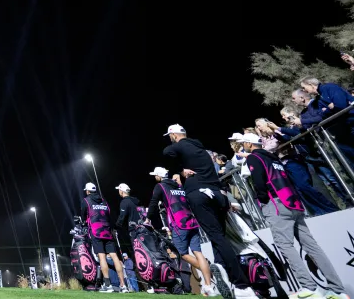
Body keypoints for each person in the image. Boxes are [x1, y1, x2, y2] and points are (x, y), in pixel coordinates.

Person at [242, 133, 350, 299]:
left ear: (249, 144)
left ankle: (309, 288)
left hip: (276, 204)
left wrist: (263, 200)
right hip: (293, 203)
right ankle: (337, 290)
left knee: (285, 245)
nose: (243, 145)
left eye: (243, 143)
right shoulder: (273, 157)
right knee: (312, 246)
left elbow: (259, 182)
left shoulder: (254, 158)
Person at [162, 124, 255, 299]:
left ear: (174, 135)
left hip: (199, 195)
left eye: (170, 136)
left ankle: (242, 286)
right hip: (217, 195)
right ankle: (223, 273)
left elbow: (166, 152)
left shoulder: (180, 145)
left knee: (217, 238)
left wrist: (180, 170)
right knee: (220, 238)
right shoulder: (202, 150)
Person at [146, 166, 217, 296]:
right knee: (198, 253)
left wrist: (148, 219)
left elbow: (153, 203)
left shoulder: (160, 186)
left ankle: (208, 271)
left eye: (155, 175)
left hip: (179, 224)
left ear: (159, 176)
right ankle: (208, 286)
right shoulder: (178, 185)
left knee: (183, 254)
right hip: (192, 222)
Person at [81, 182, 128, 293]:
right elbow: (109, 214)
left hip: (96, 231)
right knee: (115, 256)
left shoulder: (86, 200)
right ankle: (123, 285)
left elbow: (83, 215)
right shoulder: (104, 201)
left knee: (102, 257)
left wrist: (83, 223)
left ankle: (108, 285)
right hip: (107, 231)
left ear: (87, 191)